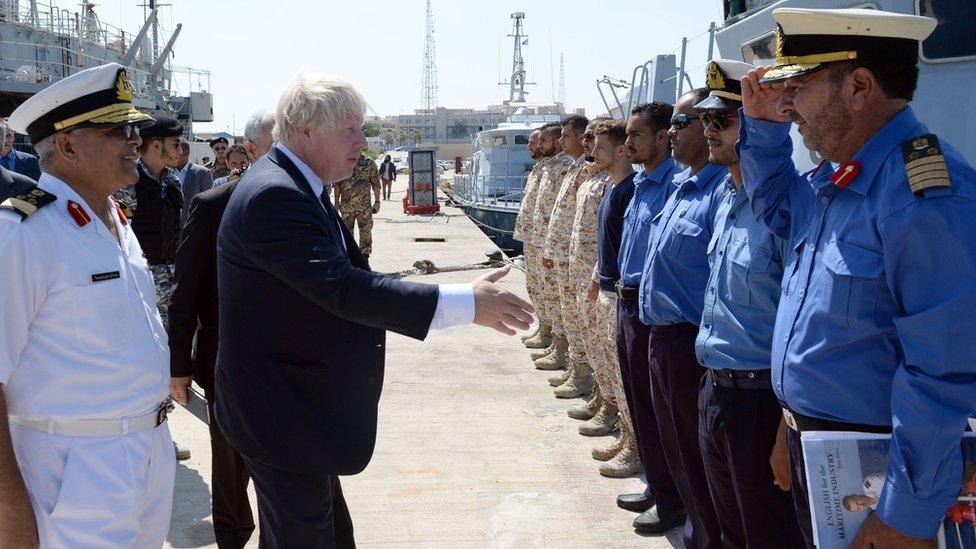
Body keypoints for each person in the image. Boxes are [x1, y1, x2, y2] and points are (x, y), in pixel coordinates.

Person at [214, 73, 534, 548]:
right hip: (282, 415)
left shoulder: (298, 186)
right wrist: (465, 304)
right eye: (349, 131)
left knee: (328, 535)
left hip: (296, 411)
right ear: (305, 131)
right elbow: (344, 289)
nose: (362, 144)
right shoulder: (274, 195)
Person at [738, 7, 976, 548]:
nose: (787, 103)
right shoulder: (835, 181)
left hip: (884, 470)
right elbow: (774, 210)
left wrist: (903, 515)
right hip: (819, 448)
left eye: (798, 87)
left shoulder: (923, 196)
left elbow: (945, 374)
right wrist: (791, 422)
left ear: (860, 87)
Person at [0, 62, 174, 548]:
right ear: (69, 144)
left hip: (147, 451)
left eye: (135, 127)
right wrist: (8, 508)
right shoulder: (21, 234)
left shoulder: (115, 220)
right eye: (118, 129)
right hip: (75, 466)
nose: (135, 139)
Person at [691, 59, 801, 548]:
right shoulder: (724, 200)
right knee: (732, 533)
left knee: (769, 536)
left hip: (761, 407)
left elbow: (798, 323)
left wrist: (787, 424)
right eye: (706, 120)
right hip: (715, 393)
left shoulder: (789, 209)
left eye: (723, 121)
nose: (708, 131)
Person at [638, 87, 728, 548]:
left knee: (698, 455)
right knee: (675, 446)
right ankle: (694, 528)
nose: (671, 131)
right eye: (671, 123)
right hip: (660, 335)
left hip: (691, 343)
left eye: (681, 123)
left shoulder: (719, 192)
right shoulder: (681, 186)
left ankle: (708, 537)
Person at [169, 174, 254, 547]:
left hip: (294, 360)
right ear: (252, 147)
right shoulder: (212, 206)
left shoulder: (306, 199)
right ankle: (232, 535)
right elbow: (184, 292)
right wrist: (179, 367)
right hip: (226, 359)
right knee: (230, 460)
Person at [612, 102, 682, 533]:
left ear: (662, 137)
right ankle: (658, 487)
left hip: (650, 309)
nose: (627, 143)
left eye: (636, 135)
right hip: (628, 304)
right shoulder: (641, 183)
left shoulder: (676, 184)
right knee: (641, 405)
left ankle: (675, 501)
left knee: (663, 414)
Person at [582, 119, 640, 477]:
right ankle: (626, 434)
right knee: (610, 368)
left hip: (620, 296)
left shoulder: (628, 190)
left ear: (620, 150)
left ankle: (636, 449)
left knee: (623, 374)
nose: (594, 152)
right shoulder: (611, 187)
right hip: (605, 289)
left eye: (601, 147)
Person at [112, 116, 185, 331]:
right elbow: (120, 236)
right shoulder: (129, 180)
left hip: (171, 279)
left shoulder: (173, 180)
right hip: (142, 280)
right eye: (175, 144)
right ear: (155, 145)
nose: (179, 151)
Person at [542, 114, 595, 400]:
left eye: (566, 136)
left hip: (585, 264)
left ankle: (587, 380)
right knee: (570, 317)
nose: (562, 141)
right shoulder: (576, 170)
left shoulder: (592, 174)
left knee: (584, 325)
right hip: (567, 255)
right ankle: (576, 368)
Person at [531, 118, 582, 372]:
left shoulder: (566, 168)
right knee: (553, 299)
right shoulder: (554, 167)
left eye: (543, 140)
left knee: (570, 311)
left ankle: (572, 362)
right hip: (548, 242)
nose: (538, 145)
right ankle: (556, 343)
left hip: (566, 252)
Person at [515, 125, 559, 352]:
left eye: (538, 141)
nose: (533, 146)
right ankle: (544, 328)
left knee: (550, 291)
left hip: (547, 242)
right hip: (534, 238)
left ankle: (554, 339)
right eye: (534, 142)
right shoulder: (540, 169)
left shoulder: (561, 169)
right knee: (537, 288)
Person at [333, 151, 381, 259]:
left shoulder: (369, 163)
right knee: (346, 233)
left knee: (366, 232)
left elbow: (376, 184)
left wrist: (377, 202)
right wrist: (336, 203)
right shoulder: (343, 162)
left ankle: (365, 259)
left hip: (364, 207)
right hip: (347, 206)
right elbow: (337, 185)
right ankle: (349, 258)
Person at [176, 137, 214, 224]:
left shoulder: (203, 173)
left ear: (186, 153)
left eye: (176, 151)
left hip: (193, 227)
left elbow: (208, 204)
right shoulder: (167, 172)